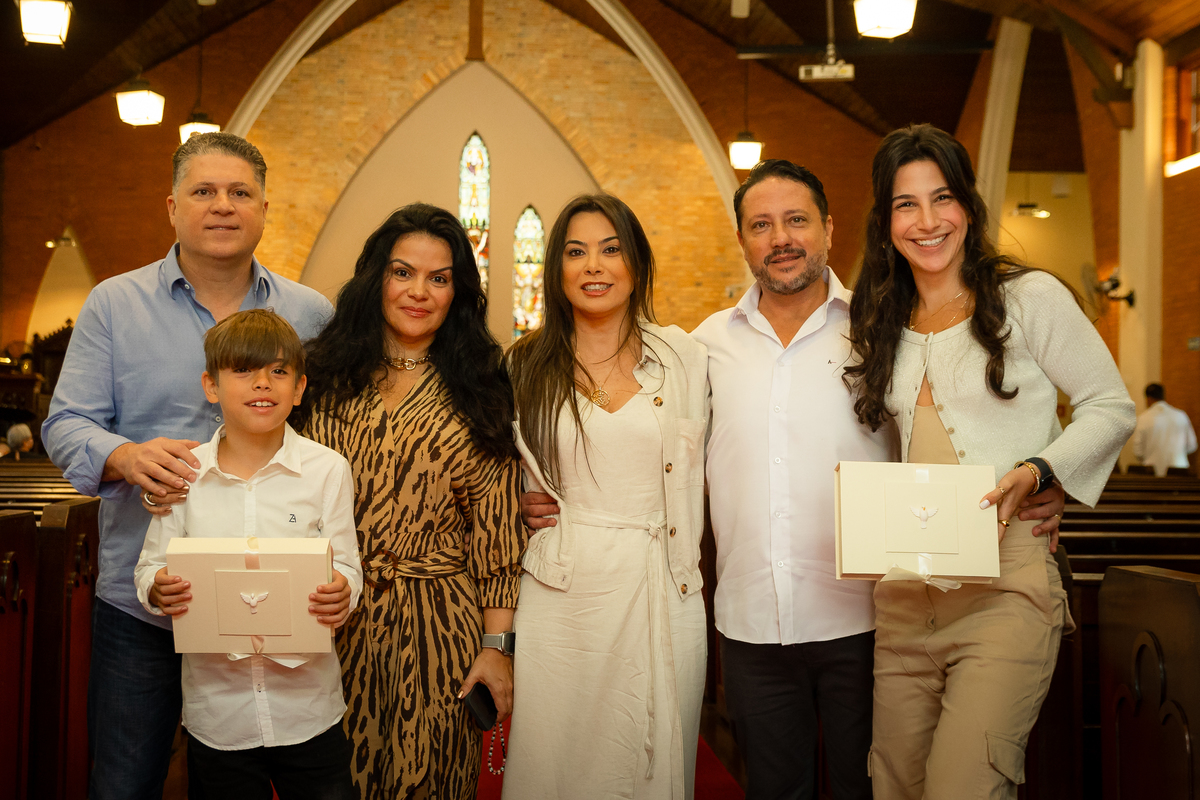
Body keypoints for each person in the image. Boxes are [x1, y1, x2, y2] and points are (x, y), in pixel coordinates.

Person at [524, 161, 1067, 800]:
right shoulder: (700, 349)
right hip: (751, 624)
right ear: (743, 240)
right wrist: (548, 499)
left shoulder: (881, 330)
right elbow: (646, 444)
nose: (781, 238)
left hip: (868, 617)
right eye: (761, 225)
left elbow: (958, 419)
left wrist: (1043, 471)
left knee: (866, 788)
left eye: (796, 221)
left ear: (829, 230)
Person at [42, 132, 339, 800]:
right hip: (144, 602)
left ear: (265, 208)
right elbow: (63, 424)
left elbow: (341, 437)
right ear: (172, 206)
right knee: (123, 783)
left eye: (240, 193)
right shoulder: (115, 306)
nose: (222, 206)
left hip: (274, 608)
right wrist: (122, 455)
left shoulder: (311, 314)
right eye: (203, 191)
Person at [844, 124, 1135, 799]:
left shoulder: (1028, 298)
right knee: (893, 785)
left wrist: (1042, 470)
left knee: (963, 787)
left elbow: (1109, 406)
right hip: (905, 591)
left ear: (968, 208)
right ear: (886, 222)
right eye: (905, 204)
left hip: (1007, 585)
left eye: (941, 198)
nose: (926, 220)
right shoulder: (881, 317)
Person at [294, 203, 524, 800]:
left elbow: (496, 537)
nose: (419, 291)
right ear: (376, 280)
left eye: (439, 278)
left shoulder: (480, 388)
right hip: (336, 615)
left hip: (442, 625)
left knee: (434, 780)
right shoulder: (322, 379)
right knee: (336, 782)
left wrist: (497, 649)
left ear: (458, 292)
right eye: (403, 273)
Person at [502, 195, 709, 799]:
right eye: (576, 252)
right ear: (557, 271)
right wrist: (515, 503)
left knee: (656, 761)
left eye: (611, 249)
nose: (594, 266)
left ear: (637, 265)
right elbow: (491, 473)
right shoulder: (524, 365)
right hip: (563, 595)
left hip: (662, 584)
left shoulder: (687, 359)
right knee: (557, 761)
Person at [133, 310, 362, 800]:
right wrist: (158, 587)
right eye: (243, 370)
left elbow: (346, 563)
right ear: (211, 385)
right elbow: (150, 566)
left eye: (278, 371)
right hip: (219, 712)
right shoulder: (185, 473)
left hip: (309, 710)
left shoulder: (328, 470)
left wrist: (343, 591)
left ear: (299, 388)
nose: (263, 383)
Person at [1132, 383, 1197, 476]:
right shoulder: (1181, 415)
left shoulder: (1143, 418)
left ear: (1148, 399)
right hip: (1179, 472)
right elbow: (1192, 445)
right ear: (1163, 396)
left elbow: (1138, 451)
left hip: (1152, 473)